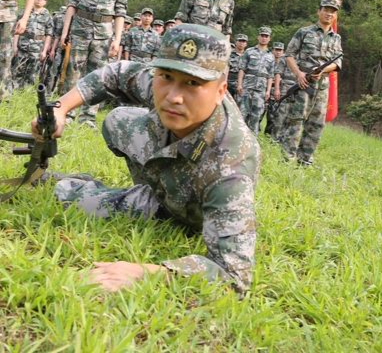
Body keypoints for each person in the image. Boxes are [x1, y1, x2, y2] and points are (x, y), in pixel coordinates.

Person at [34, 24, 260, 294]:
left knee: (71, 196)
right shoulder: (162, 85)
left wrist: (146, 273)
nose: (173, 96)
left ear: (221, 90)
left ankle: (142, 197)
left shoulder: (231, 165)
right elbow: (115, 73)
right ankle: (145, 186)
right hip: (164, 166)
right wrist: (60, 109)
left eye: (193, 83)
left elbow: (234, 276)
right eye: (166, 76)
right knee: (117, 120)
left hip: (184, 206)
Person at [59, 0, 128, 127]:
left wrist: (117, 39)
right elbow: (71, 4)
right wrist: (65, 31)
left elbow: (120, 12)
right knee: (73, 71)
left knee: (98, 76)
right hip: (81, 29)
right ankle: (68, 113)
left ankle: (88, 117)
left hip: (104, 34)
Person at [280, 0, 343, 165]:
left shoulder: (336, 38)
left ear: (335, 15)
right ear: (319, 11)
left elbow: (338, 63)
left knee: (316, 125)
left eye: (333, 11)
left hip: (322, 88)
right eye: (326, 9)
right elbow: (289, 55)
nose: (329, 13)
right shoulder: (304, 32)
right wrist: (299, 74)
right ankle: (287, 159)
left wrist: (322, 70)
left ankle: (305, 161)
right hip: (303, 84)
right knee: (296, 121)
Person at [11, 0, 53, 89]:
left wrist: (44, 51)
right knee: (17, 70)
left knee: (32, 74)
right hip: (22, 46)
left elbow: (49, 35)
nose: (39, 0)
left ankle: (26, 93)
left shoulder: (48, 17)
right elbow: (17, 30)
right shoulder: (25, 12)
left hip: (37, 49)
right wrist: (14, 45)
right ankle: (14, 91)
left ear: (45, 2)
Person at [237, 27, 275, 134]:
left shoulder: (271, 56)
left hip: (261, 90)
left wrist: (268, 91)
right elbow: (242, 69)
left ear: (269, 39)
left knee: (256, 115)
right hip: (247, 86)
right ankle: (240, 137)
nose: (264, 38)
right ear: (258, 37)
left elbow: (270, 75)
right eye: (262, 36)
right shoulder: (249, 52)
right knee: (243, 113)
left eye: (266, 36)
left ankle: (253, 140)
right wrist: (240, 84)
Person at [271, 42, 297, 141]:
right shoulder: (285, 58)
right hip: (285, 88)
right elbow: (278, 74)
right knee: (280, 116)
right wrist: (277, 89)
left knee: (293, 116)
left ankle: (285, 140)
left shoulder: (304, 59)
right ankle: (274, 139)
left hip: (298, 89)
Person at [262, 42, 285, 137]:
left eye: (280, 50)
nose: (278, 52)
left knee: (272, 117)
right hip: (265, 91)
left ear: (283, 52)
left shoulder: (285, 63)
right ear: (272, 51)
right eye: (276, 50)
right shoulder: (267, 61)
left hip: (276, 93)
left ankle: (268, 137)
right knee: (259, 113)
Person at [227, 34, 248, 98]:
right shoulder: (229, 54)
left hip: (242, 83)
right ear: (236, 42)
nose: (241, 43)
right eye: (239, 41)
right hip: (229, 81)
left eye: (243, 41)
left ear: (246, 44)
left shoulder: (248, 56)